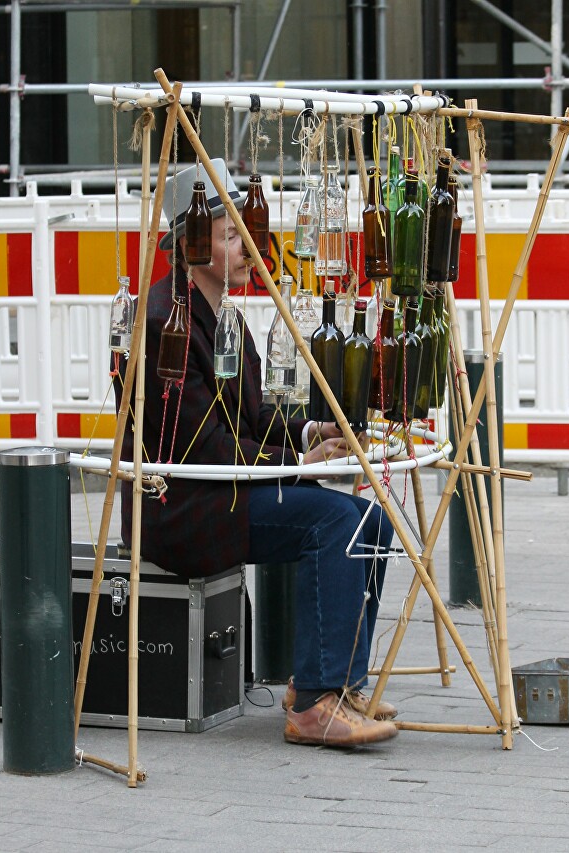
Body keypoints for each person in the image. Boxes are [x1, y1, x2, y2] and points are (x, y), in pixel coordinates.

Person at [115, 159, 397, 748]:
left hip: (227, 489)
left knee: (369, 517)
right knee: (337, 519)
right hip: (185, 504)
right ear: (192, 241)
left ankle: (327, 682)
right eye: (230, 234)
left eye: (247, 229)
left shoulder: (227, 320)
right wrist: (296, 469)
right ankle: (314, 705)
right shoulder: (166, 319)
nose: (249, 244)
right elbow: (207, 447)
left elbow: (257, 416)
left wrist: (310, 436)